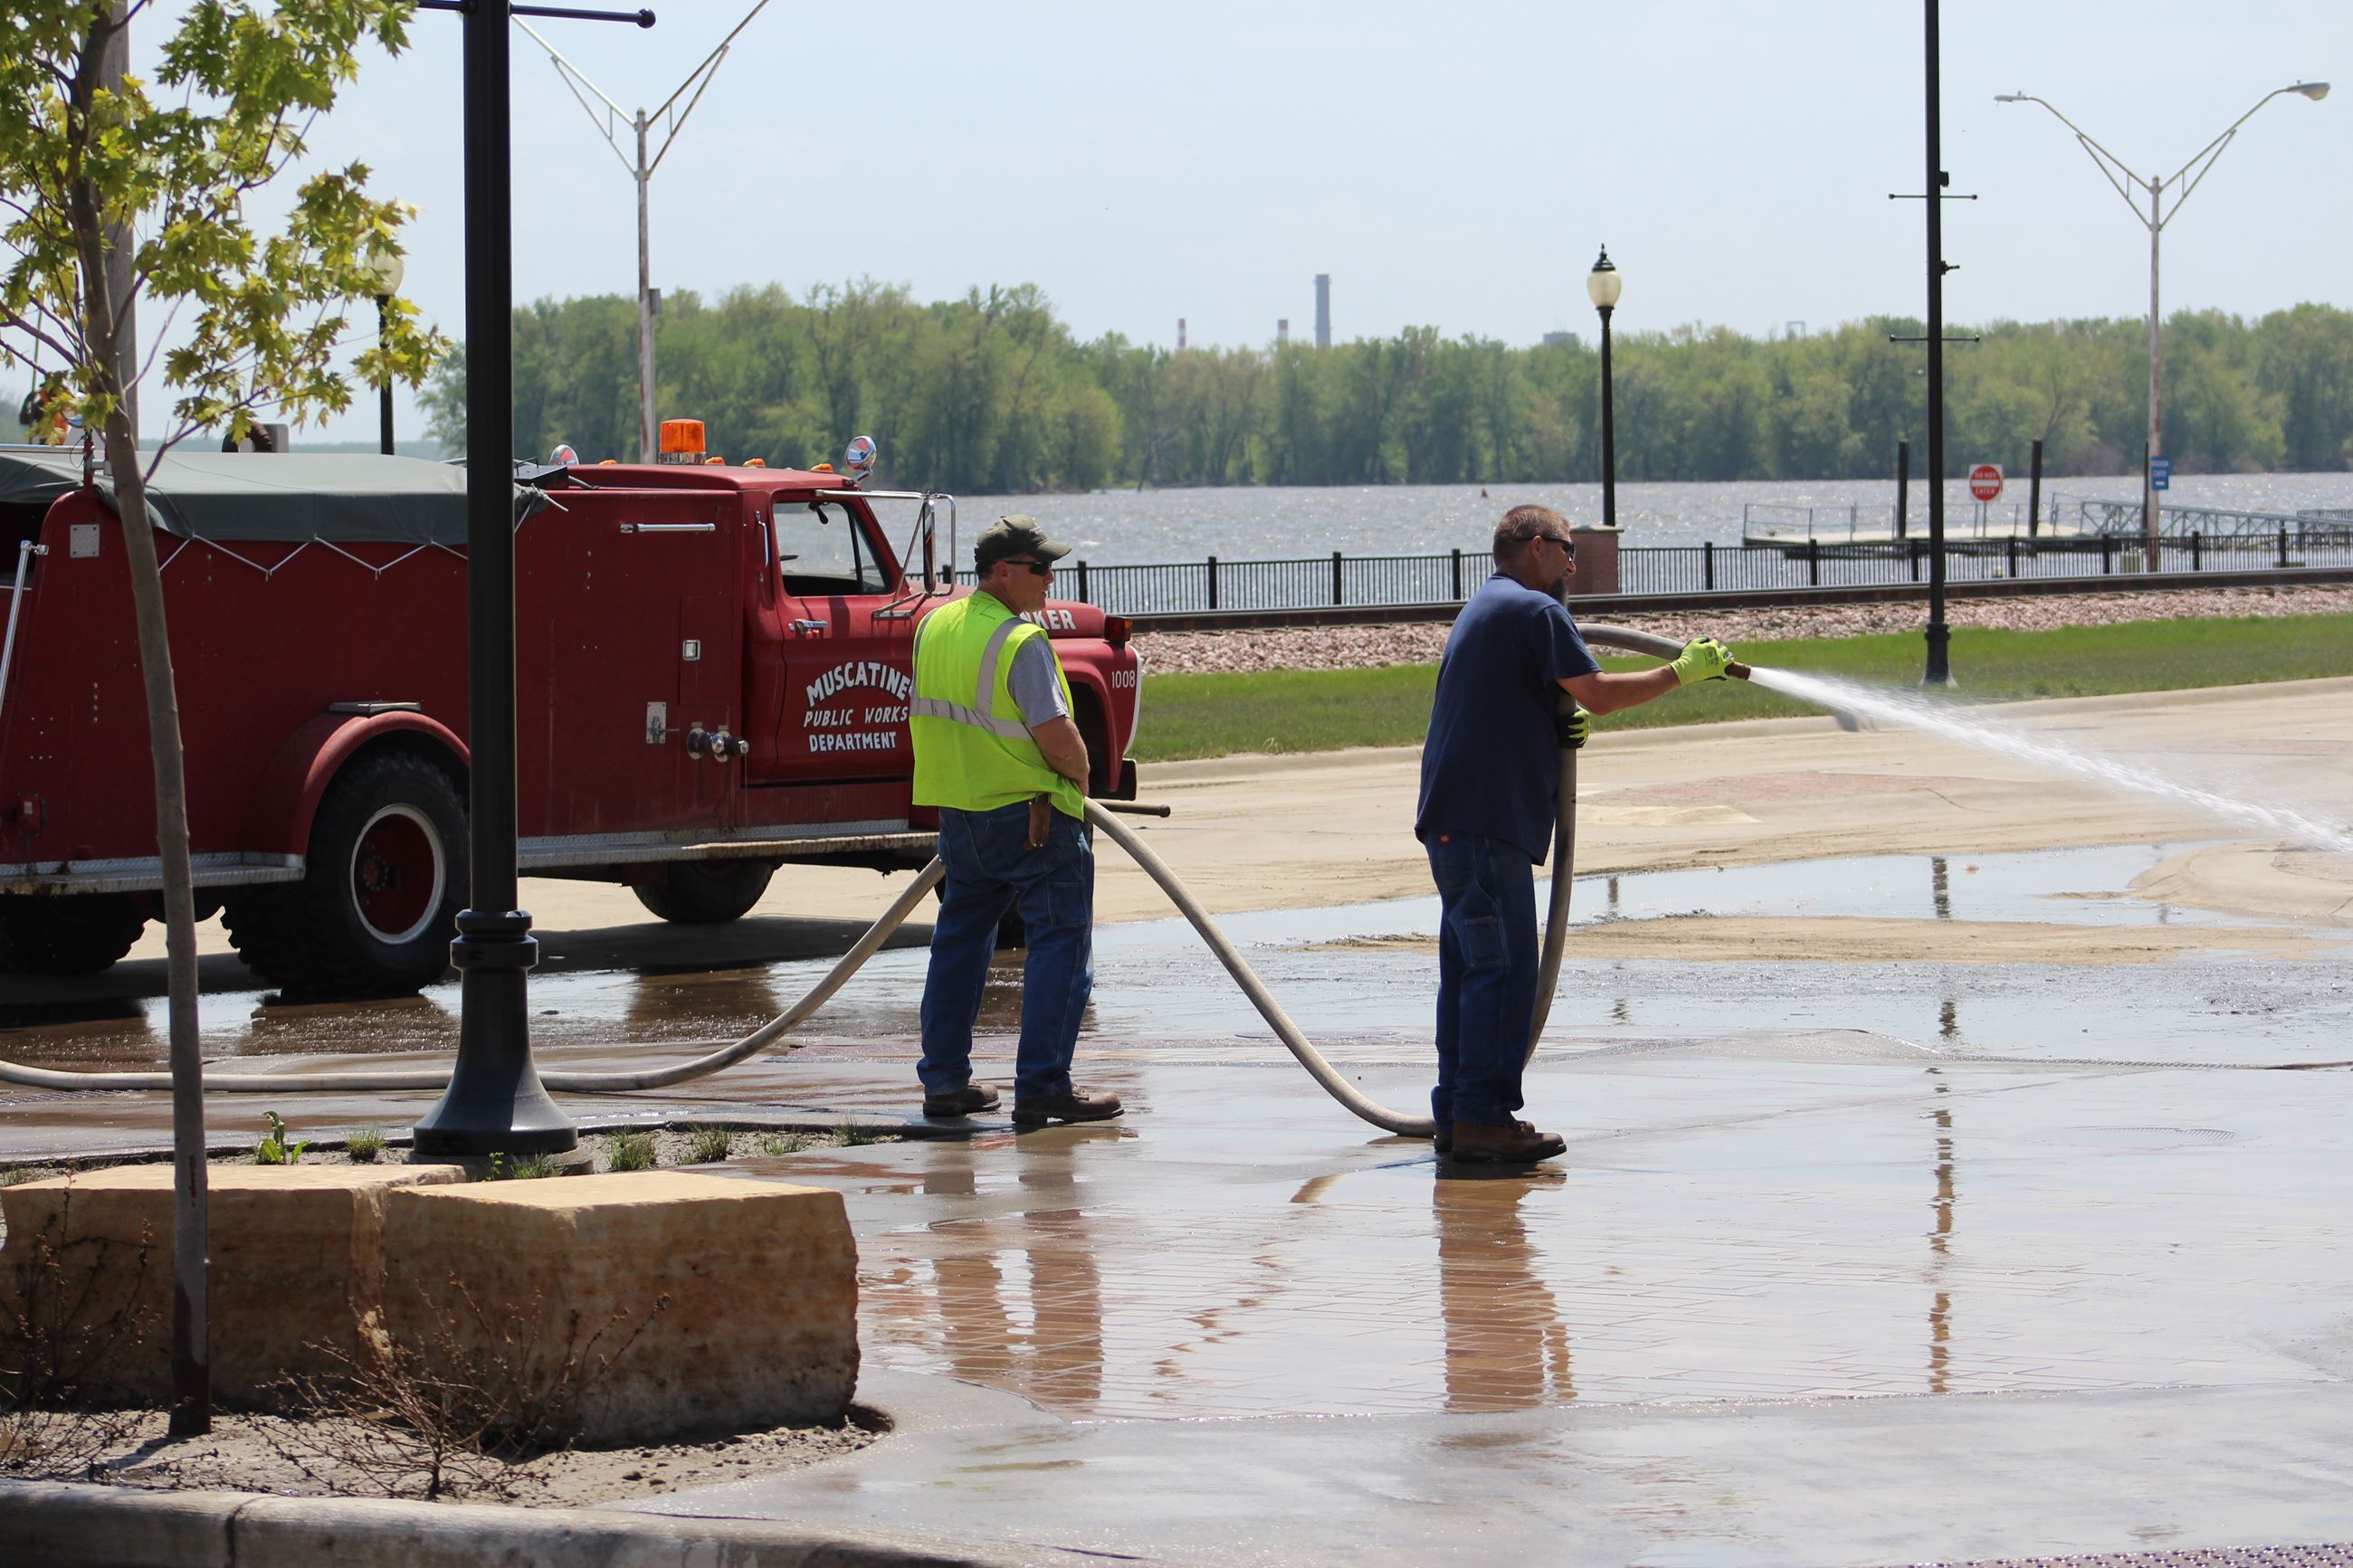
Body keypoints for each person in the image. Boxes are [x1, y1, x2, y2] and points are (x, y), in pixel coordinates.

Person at [1415, 505, 1732, 1163]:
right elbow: (1600, 692)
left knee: (1471, 971)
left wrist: (1550, 724)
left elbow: (1514, 698)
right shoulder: (1535, 611)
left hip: (1457, 821)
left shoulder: (1488, 606)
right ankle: (1481, 1119)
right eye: (1566, 549)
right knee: (1501, 972)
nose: (1572, 563)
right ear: (1535, 549)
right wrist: (1682, 671)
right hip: (1486, 821)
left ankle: (1457, 1111)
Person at [910, 515, 1122, 1127]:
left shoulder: (934, 626)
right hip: (1029, 815)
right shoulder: (1019, 642)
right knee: (1060, 938)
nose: (1050, 579)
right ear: (1003, 571)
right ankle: (1044, 1085)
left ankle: (945, 1081)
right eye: (1040, 568)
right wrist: (1082, 772)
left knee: (960, 941)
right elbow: (1057, 736)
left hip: (962, 815)